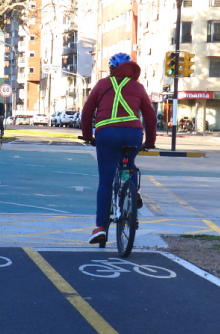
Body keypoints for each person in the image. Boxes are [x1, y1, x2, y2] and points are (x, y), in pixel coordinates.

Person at [81, 52, 157, 245]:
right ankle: (133, 191)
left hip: (106, 133)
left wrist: (88, 137)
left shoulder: (101, 85)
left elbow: (87, 112)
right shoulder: (138, 87)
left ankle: (100, 227)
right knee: (129, 163)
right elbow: (150, 116)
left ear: (112, 69)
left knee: (106, 182)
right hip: (133, 133)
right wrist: (150, 141)